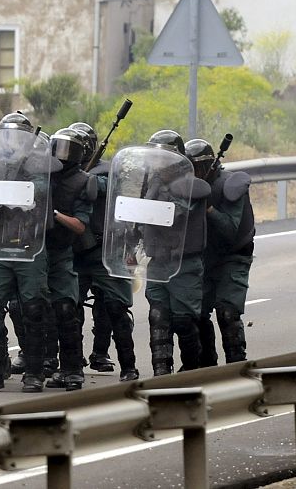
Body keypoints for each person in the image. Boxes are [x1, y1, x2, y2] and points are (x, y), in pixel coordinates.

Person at [0, 112, 51, 392]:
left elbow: (39, 195)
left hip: (30, 247)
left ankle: (34, 372)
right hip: (2, 247)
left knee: (33, 308)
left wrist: (17, 190)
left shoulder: (40, 165)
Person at [69, 122, 138, 381]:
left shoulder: (108, 172)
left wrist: (82, 179)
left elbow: (102, 188)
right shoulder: (67, 174)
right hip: (75, 253)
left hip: (104, 250)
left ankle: (127, 366)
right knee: (67, 308)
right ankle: (71, 365)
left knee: (115, 308)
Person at [143, 130, 211, 375]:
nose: (158, 163)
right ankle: (161, 372)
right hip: (158, 262)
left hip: (184, 264)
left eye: (164, 158)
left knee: (183, 321)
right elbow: (143, 218)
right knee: (158, 316)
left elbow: (175, 214)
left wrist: (157, 194)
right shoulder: (153, 182)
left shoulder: (190, 185)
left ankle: (192, 369)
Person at [185, 138, 254, 365]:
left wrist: (209, 209)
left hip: (232, 256)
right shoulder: (185, 188)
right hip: (203, 257)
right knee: (195, 313)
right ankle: (205, 364)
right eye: (190, 167)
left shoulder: (230, 186)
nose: (194, 173)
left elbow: (229, 231)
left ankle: (236, 364)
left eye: (198, 168)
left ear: (209, 165)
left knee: (227, 312)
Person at [43, 128, 93, 391]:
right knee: (33, 309)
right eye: (57, 148)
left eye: (67, 150)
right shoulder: (40, 174)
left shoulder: (83, 182)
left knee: (65, 309)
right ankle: (38, 365)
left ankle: (73, 370)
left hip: (62, 252)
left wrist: (55, 214)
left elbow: (80, 226)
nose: (61, 156)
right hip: (36, 251)